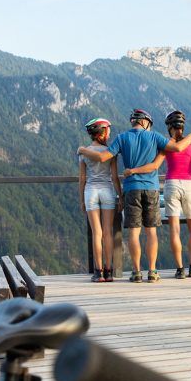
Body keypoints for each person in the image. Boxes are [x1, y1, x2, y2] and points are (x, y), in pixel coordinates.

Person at [77, 108, 191, 283]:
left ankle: (136, 272)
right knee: (151, 232)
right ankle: (153, 271)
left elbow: (103, 157)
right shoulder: (154, 136)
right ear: (145, 122)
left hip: (131, 188)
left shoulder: (121, 138)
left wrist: (82, 150)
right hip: (151, 188)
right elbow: (178, 147)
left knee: (134, 233)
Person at [124, 110, 191, 279]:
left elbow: (155, 165)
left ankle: (180, 269)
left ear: (169, 127)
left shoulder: (166, 144)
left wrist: (133, 171)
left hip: (172, 185)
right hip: (190, 185)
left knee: (174, 230)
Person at [78, 118, 122, 282]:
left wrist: (81, 199)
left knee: (97, 233)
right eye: (108, 130)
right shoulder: (110, 152)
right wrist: (121, 196)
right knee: (107, 233)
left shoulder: (83, 152)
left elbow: (82, 178)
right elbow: (115, 177)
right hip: (107, 191)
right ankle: (109, 271)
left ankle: (98, 272)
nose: (110, 133)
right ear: (102, 132)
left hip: (90, 191)